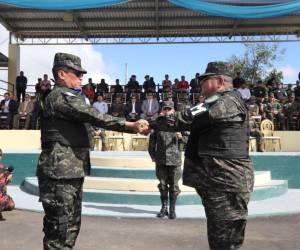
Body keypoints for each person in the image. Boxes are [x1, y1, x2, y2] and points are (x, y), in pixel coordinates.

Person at [37, 52, 149, 250]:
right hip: (59, 173)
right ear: (62, 74)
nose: (81, 78)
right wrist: (130, 126)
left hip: (69, 170)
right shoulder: (61, 96)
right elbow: (94, 116)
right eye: (76, 73)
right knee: (59, 230)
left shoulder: (69, 96)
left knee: (70, 227)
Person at [155, 62, 254, 249]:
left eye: (204, 79)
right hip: (219, 180)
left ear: (219, 81)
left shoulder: (227, 100)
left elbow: (188, 117)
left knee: (225, 242)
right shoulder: (216, 100)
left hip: (227, 183)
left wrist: (152, 122)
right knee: (219, 238)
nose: (199, 83)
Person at [148, 101, 187, 219]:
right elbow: (151, 142)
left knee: (174, 186)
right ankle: (164, 207)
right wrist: (153, 156)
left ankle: (172, 209)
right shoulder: (157, 124)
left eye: (169, 109)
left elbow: (188, 141)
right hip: (161, 159)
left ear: (173, 110)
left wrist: (182, 138)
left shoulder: (179, 124)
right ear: (162, 110)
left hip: (175, 160)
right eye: (165, 109)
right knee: (163, 185)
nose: (166, 111)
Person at [0, 149, 15, 221]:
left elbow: (5, 184)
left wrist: (8, 179)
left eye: (0, 155)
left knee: (11, 205)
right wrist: (2, 175)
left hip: (2, 195)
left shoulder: (3, 168)